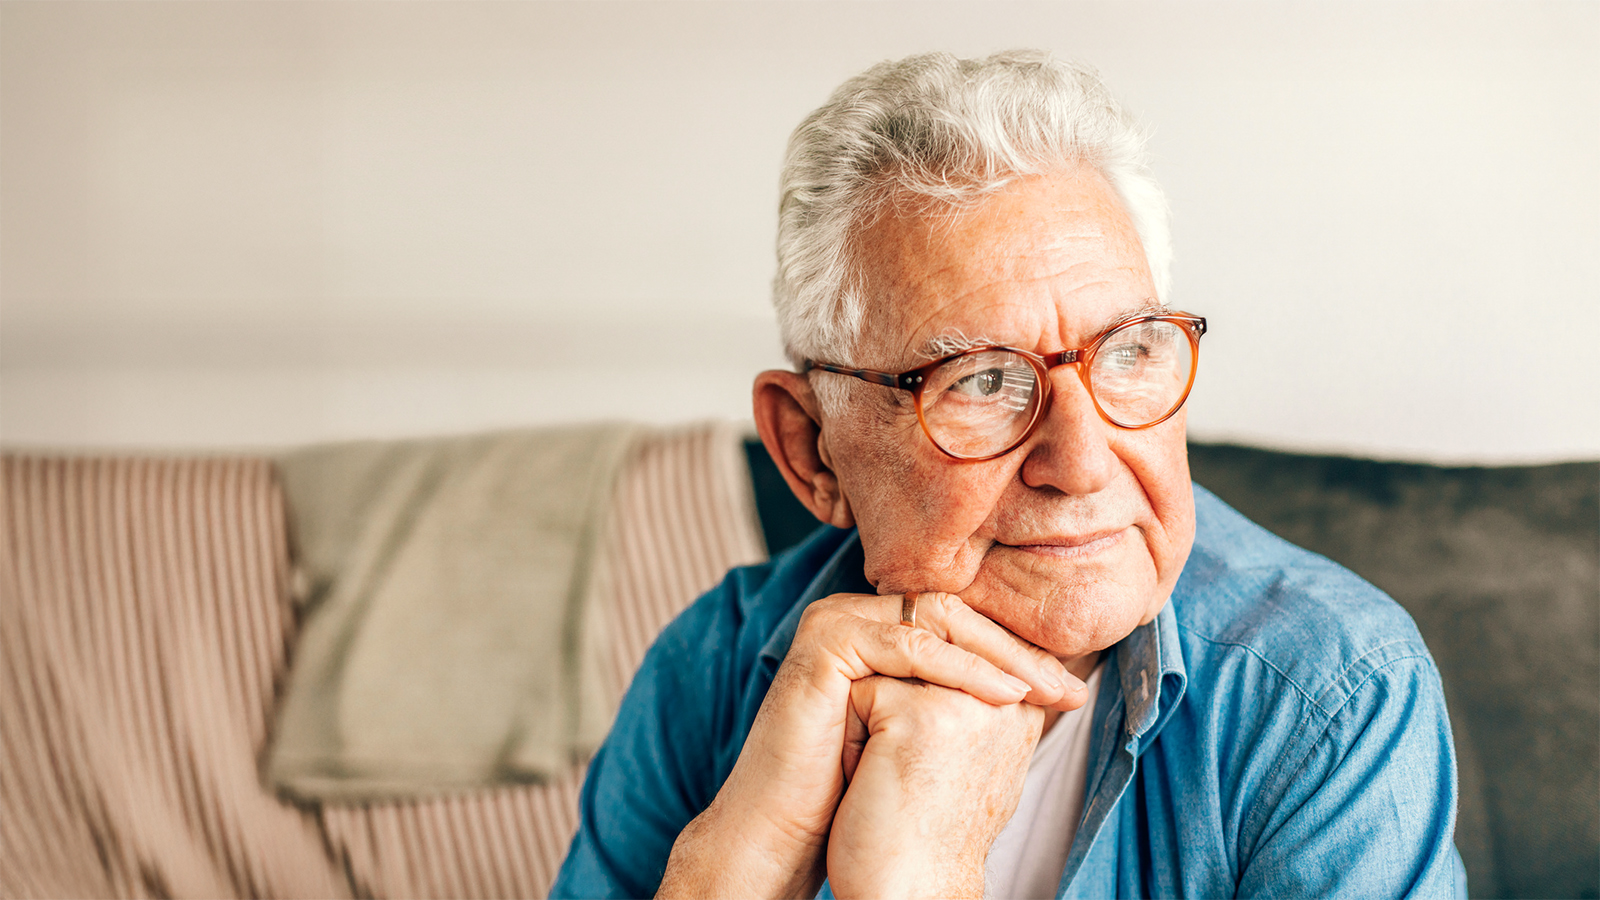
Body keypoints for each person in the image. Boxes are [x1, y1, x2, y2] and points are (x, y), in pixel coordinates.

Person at [551, 50, 1465, 899]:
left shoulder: (1331, 691)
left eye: (1128, 351)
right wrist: (727, 870)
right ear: (812, 450)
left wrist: (922, 878)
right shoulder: (709, 670)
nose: (1082, 459)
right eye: (985, 380)